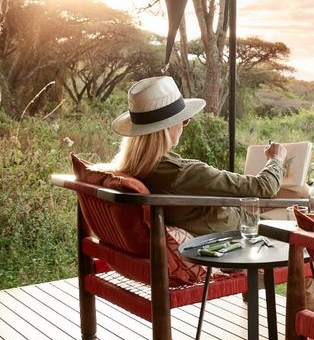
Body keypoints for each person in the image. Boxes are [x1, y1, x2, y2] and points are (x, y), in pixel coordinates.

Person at [94, 75, 287, 236]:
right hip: (235, 237)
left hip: (225, 222)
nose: (184, 126)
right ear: (169, 126)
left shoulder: (133, 168)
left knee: (295, 198)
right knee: (300, 216)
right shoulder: (183, 173)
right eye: (184, 120)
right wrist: (276, 159)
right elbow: (264, 188)